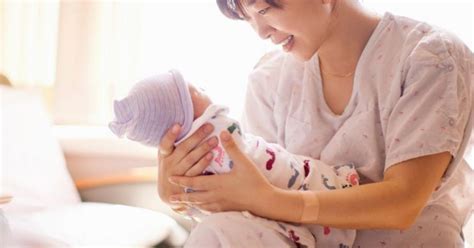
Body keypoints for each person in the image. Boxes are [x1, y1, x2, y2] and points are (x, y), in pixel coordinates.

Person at [157, 0, 474, 247]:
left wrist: (271, 200)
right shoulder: (270, 79)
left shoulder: (428, 58)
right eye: (248, 18)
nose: (261, 31)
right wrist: (180, 191)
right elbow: (250, 204)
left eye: (264, 10)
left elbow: (403, 202)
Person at [109, 69, 360, 247]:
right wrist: (174, 197)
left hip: (323, 205)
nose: (204, 91)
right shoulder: (216, 132)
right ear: (190, 106)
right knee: (213, 232)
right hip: (313, 200)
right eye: (196, 90)